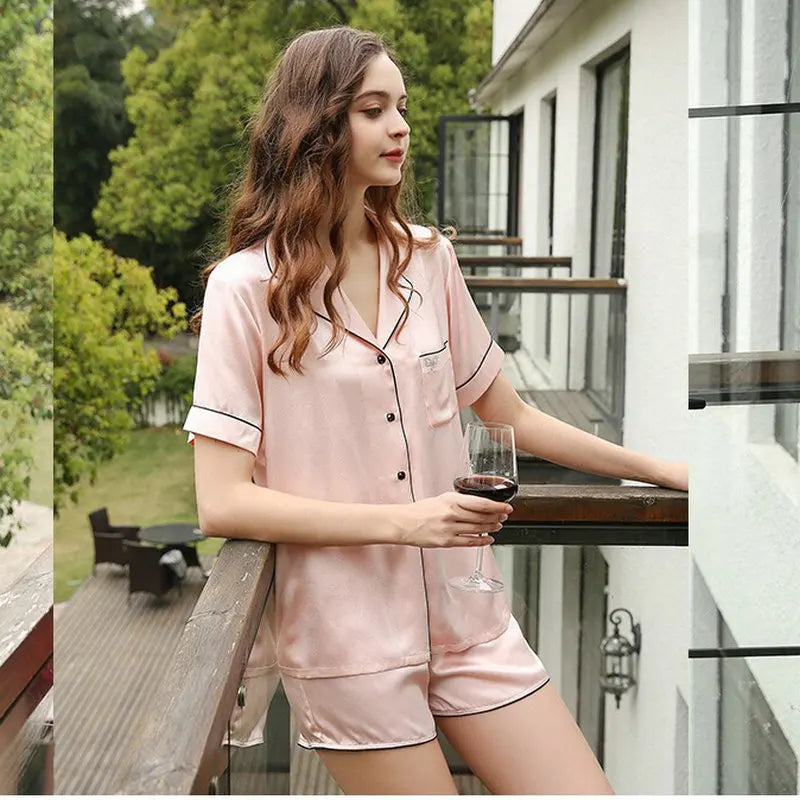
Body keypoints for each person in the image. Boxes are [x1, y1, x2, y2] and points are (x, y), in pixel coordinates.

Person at [183, 26, 687, 795]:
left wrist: (661, 469)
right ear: (317, 126)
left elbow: (512, 416)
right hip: (349, 643)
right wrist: (406, 522)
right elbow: (221, 501)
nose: (400, 128)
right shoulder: (246, 290)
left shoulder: (427, 259)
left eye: (403, 107)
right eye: (373, 110)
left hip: (470, 619)